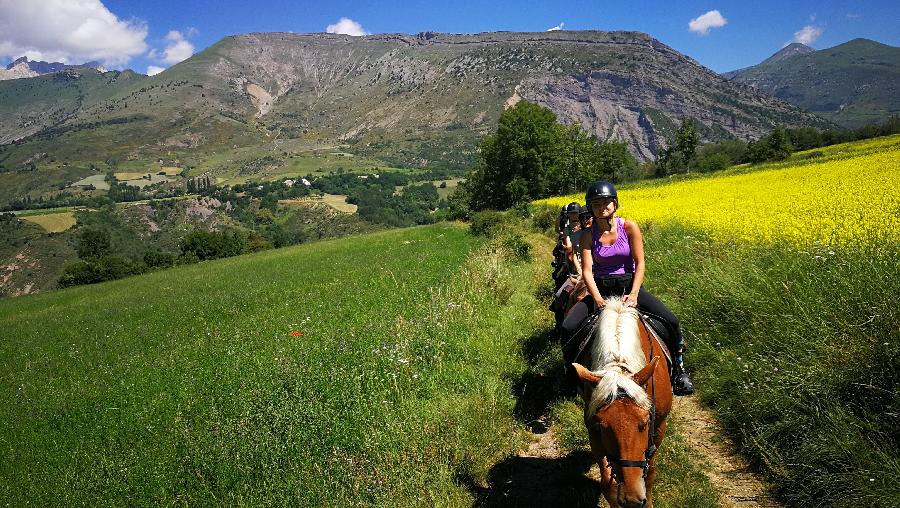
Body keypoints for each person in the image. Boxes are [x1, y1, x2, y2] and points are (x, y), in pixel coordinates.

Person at [561, 180, 695, 395]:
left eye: (606, 202)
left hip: (629, 287)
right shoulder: (588, 235)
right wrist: (597, 299)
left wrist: (634, 294)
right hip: (601, 290)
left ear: (615, 204)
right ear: (591, 208)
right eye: (596, 204)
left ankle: (679, 370)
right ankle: (570, 374)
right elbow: (587, 271)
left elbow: (640, 262)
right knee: (568, 327)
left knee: (671, 321)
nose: (602, 206)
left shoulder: (629, 227)